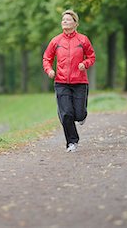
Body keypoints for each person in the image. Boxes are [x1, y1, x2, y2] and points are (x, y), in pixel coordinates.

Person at [43, 9, 96, 152]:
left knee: (79, 114)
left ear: (75, 23)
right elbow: (47, 58)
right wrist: (49, 70)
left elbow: (91, 57)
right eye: (63, 20)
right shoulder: (56, 41)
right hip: (61, 82)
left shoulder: (83, 40)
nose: (64, 21)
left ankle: (82, 115)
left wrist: (84, 64)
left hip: (80, 82)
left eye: (67, 19)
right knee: (66, 114)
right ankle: (72, 142)